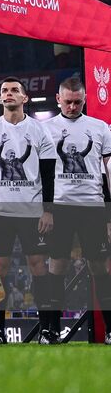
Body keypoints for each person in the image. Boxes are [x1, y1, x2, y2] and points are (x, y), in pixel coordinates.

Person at [0, 76, 56, 343]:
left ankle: (46, 330)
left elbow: (48, 174)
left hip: (33, 212)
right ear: (0, 99)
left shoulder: (39, 131)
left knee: (38, 266)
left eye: (14, 90)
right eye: (4, 91)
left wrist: (48, 210)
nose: (9, 94)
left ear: (24, 98)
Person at [40, 76, 111, 344]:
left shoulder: (100, 128)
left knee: (100, 268)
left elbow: (107, 173)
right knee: (56, 266)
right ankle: (51, 330)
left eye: (77, 102)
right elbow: (41, 174)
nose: (72, 106)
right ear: (58, 99)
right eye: (67, 102)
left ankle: (110, 330)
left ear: (85, 99)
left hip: (93, 207)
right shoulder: (45, 130)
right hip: (59, 208)